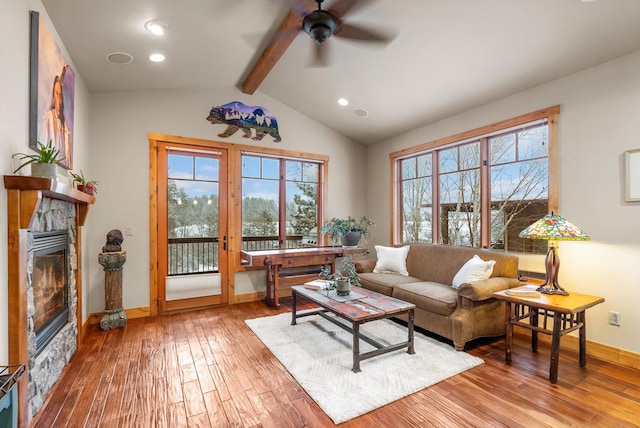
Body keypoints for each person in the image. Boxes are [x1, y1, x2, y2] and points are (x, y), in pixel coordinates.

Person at [40, 65, 71, 166]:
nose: (59, 100)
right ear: (53, 96)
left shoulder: (66, 127)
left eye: (61, 95)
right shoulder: (48, 118)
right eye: (57, 94)